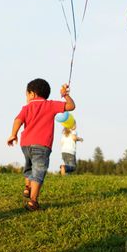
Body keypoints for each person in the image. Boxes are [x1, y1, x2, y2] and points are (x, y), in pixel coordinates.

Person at [7, 78, 75, 211]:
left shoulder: (26, 107)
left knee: (29, 166)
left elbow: (18, 120)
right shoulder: (50, 105)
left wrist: (13, 134)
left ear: (32, 94)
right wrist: (65, 95)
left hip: (26, 144)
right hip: (42, 145)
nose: (26, 97)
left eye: (26, 94)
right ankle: (33, 201)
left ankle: (27, 188)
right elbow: (71, 106)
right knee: (38, 171)